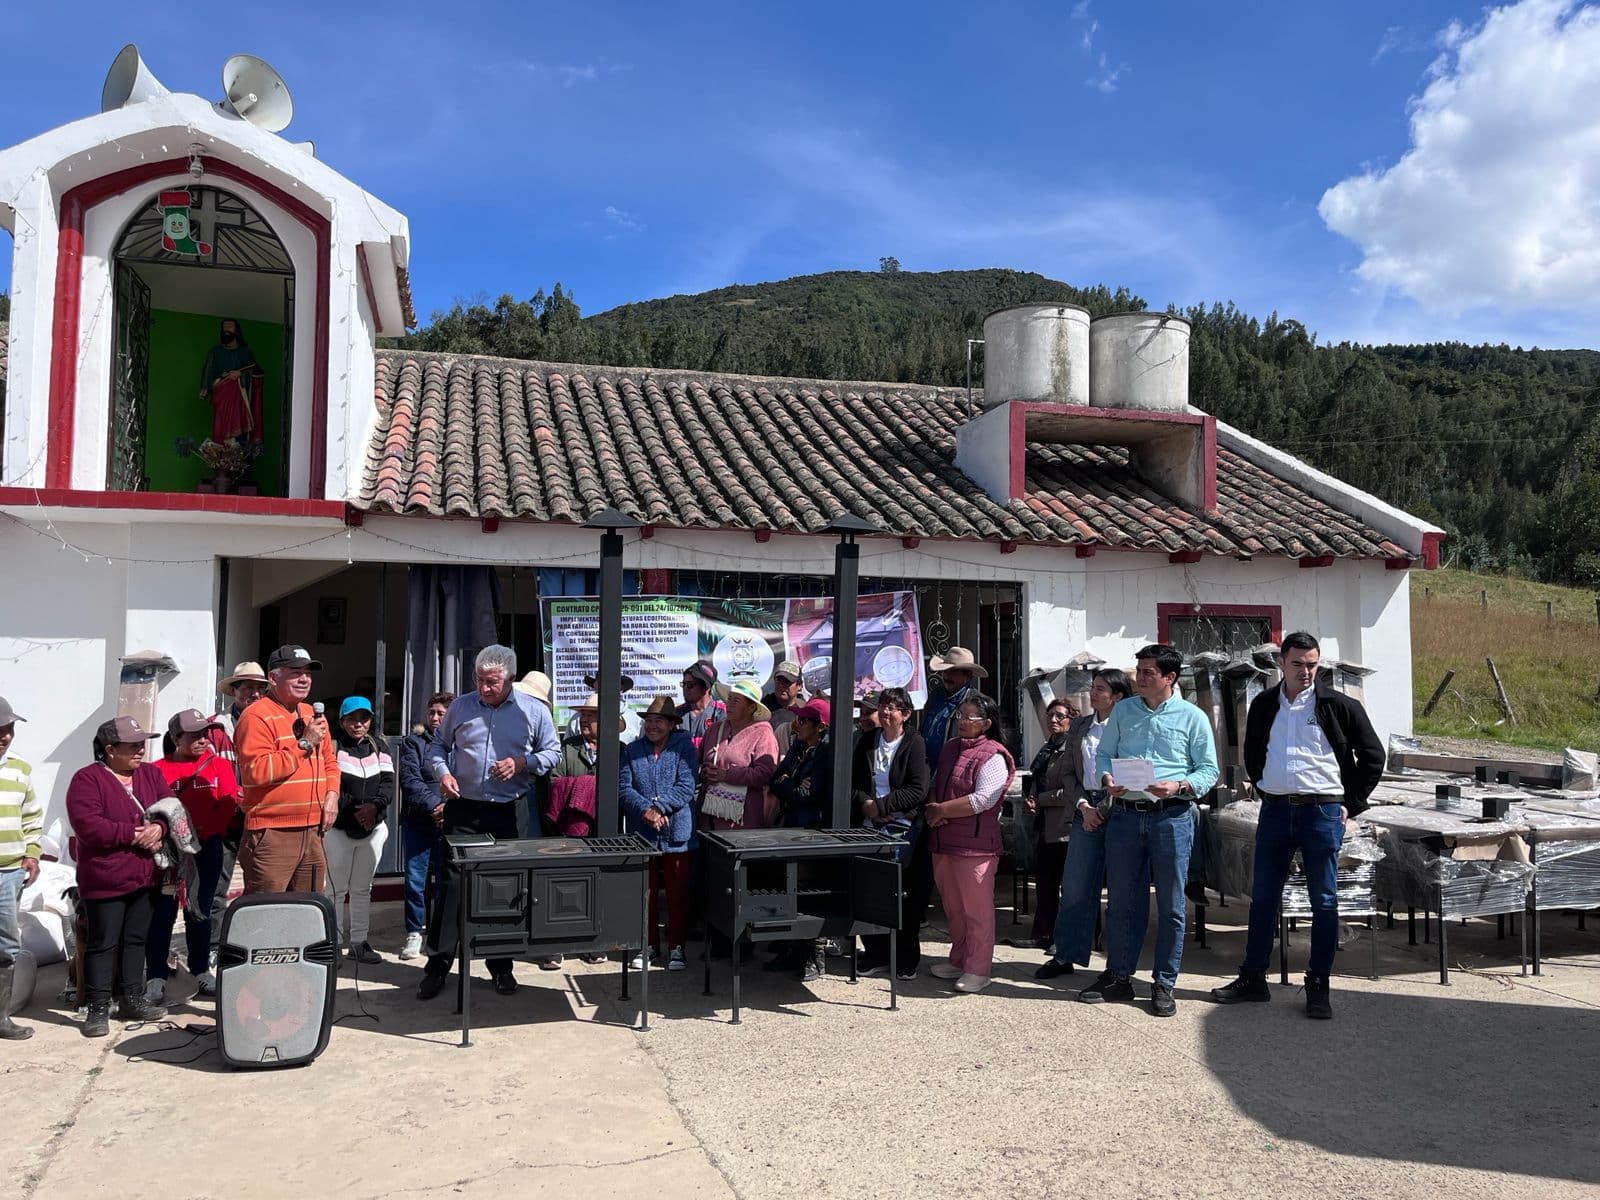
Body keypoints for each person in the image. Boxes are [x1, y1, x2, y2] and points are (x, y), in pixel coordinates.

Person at [1212, 632, 1385, 1019]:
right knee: (1264, 897)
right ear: (1281, 664)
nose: (1306, 672)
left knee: (1323, 900)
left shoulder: (1338, 705)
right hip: (1274, 811)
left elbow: (1373, 756)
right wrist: (1262, 784)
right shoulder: (1264, 704)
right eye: (1298, 664)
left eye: (1312, 664)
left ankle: (1318, 985)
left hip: (1321, 812)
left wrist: (1351, 805)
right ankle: (1253, 977)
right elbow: (1253, 752)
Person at [1082, 644, 1219, 1017]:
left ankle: (1164, 982)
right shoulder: (1124, 711)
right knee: (1124, 902)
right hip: (1126, 815)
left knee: (1172, 905)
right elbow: (1105, 755)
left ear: (1169, 677)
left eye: (1147, 672)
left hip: (1171, 817)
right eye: (1138, 671)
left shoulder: (1193, 718)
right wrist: (1107, 776)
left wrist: (1178, 787)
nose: (1138, 678)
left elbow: (1209, 771)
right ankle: (1119, 977)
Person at [418, 645, 561, 1000]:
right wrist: (443, 773)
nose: (485, 688)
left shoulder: (533, 711)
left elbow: (553, 752)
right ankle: (438, 964)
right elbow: (437, 747)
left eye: (492, 682)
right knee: (451, 886)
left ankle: (501, 966)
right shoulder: (461, 707)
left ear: (510, 678)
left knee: (504, 888)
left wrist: (522, 763)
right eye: (480, 681)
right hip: (463, 807)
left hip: (509, 809)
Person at [65, 716, 174, 1037]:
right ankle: (97, 1007)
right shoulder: (87, 779)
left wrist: (160, 828)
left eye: (143, 743)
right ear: (110, 750)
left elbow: (171, 807)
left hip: (145, 876)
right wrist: (133, 834)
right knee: (103, 942)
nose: (141, 750)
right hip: (105, 879)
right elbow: (88, 824)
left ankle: (132, 998)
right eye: (133, 745)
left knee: (136, 939)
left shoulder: (151, 774)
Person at [1035, 668, 1133, 981]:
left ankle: (1117, 965)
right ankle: (1066, 953)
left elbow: (1130, 773)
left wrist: (1102, 807)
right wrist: (1082, 806)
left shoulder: (1128, 727)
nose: (1093, 693)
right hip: (1082, 809)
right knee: (1075, 886)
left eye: (1101, 689)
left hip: (1118, 810)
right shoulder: (1079, 726)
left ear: (1117, 695)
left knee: (1119, 892)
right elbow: (1067, 772)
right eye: (1093, 687)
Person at [924, 693, 1016, 994]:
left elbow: (983, 799)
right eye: (961, 715)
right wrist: (934, 808)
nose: (962, 721)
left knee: (977, 911)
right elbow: (938, 783)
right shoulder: (951, 748)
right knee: (953, 907)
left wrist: (941, 811)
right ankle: (959, 958)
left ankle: (978, 968)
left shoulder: (994, 754)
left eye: (970, 717)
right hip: (945, 839)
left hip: (976, 845)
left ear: (986, 723)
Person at [146, 709, 239, 1004]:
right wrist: (174, 837)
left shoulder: (218, 765)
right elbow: (152, 808)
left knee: (200, 909)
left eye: (205, 733)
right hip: (169, 853)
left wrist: (199, 834)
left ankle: (200, 968)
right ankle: (156, 975)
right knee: (162, 911)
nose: (202, 739)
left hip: (205, 848)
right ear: (175, 738)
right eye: (194, 735)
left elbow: (228, 803)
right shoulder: (156, 769)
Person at [234, 645, 340, 894]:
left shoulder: (312, 714)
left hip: (314, 831)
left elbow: (330, 762)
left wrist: (332, 796)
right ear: (273, 678)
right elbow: (256, 772)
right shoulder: (255, 716)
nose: (304, 679)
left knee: (307, 916)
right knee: (267, 917)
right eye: (295, 672)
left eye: (308, 673)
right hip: (272, 833)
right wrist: (304, 743)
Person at [851, 687, 930, 979]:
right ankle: (875, 953)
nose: (885, 711)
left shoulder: (914, 743)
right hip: (870, 824)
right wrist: (866, 805)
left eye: (892, 707)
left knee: (901, 893)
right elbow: (855, 782)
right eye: (883, 706)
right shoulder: (867, 741)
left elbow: (917, 789)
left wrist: (882, 805)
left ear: (905, 714)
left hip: (902, 825)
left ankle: (906, 957)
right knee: (870, 889)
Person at [618, 696, 698, 972]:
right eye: (649, 721)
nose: (652, 726)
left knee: (678, 894)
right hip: (643, 831)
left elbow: (687, 785)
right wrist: (646, 811)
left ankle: (677, 946)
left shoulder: (683, 747)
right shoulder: (632, 749)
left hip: (677, 830)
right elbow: (625, 787)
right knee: (646, 893)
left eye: (659, 721)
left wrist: (661, 807)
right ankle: (648, 945)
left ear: (671, 724)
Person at [545, 691, 624, 966]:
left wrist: (586, 786)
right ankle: (558, 945)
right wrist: (588, 787)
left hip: (604, 831)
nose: (585, 721)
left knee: (599, 887)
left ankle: (594, 944)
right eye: (584, 716)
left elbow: (621, 787)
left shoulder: (619, 749)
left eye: (592, 716)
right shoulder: (568, 748)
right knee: (565, 887)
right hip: (569, 830)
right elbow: (555, 782)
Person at [764, 699, 834, 981]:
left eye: (804, 721)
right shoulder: (799, 745)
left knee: (808, 892)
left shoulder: (826, 752)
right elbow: (775, 778)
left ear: (820, 727)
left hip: (812, 830)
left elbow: (810, 794)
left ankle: (813, 954)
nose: (798, 725)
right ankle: (793, 947)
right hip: (791, 825)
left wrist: (788, 784)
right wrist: (791, 784)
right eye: (798, 720)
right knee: (788, 887)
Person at [207, 661, 268, 972]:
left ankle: (251, 944)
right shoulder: (214, 729)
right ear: (234, 691)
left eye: (259, 687)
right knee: (216, 888)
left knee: (261, 886)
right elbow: (207, 776)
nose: (254, 693)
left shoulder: (274, 724)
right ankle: (214, 949)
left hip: (263, 821)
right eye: (246, 686)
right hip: (224, 824)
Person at [326, 698, 393, 966]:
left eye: (364, 719)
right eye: (352, 719)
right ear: (342, 721)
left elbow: (388, 783)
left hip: (373, 828)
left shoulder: (379, 746)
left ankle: (358, 942)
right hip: (339, 828)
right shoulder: (331, 747)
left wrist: (374, 808)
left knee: (362, 888)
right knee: (335, 890)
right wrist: (354, 809)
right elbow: (328, 784)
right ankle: (331, 944)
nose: (358, 724)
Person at [1016, 699, 1076, 951]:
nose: (1053, 720)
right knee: (1044, 884)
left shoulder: (1074, 750)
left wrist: (1040, 800)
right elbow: (1036, 779)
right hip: (1043, 825)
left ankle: (1064, 938)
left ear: (1071, 720)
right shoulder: (1047, 748)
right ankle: (1042, 933)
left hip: (1065, 827)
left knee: (1067, 887)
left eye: (1059, 716)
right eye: (1050, 715)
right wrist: (1030, 799)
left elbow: (1071, 790)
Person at [397, 691, 453, 961]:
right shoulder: (414, 743)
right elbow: (410, 780)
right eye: (431, 712)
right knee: (415, 880)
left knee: (446, 880)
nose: (434, 718)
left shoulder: (461, 744)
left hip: (450, 824)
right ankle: (414, 932)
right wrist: (435, 806)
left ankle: (441, 933)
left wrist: (449, 809)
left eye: (441, 713)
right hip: (419, 821)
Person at [0, 696, 42, 1041]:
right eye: (0, 729)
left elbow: (31, 818)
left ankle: (1, 1018)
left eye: (10, 729)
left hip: (8, 872)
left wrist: (31, 853)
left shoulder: (20, 770)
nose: (5, 735)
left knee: (6, 945)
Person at [698, 680, 779, 830]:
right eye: (729, 699)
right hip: (708, 819)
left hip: (743, 823)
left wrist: (726, 775)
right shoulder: (714, 729)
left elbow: (766, 774)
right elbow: (698, 761)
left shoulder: (763, 734)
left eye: (736, 701)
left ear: (751, 708)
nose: (730, 704)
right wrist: (703, 772)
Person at [198, 317, 263, 448]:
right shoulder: (215, 351)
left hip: (239, 397)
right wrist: (205, 387)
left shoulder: (245, 351)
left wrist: (241, 374)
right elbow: (209, 370)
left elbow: (256, 371)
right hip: (221, 392)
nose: (226, 330)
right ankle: (220, 452)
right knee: (219, 423)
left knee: (238, 436)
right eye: (224, 327)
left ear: (237, 331)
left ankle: (235, 447)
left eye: (230, 327)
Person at [921, 647, 984, 767]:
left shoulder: (975, 704)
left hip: (954, 769)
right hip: (927, 768)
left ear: (968, 675)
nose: (946, 676)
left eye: (952, 672)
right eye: (944, 671)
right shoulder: (936, 695)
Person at [677, 660, 726, 748]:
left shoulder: (722, 713)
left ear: (706, 687)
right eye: (683, 684)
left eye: (690, 685)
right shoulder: (676, 714)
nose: (685, 688)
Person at [764, 661, 805, 755]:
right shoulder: (761, 708)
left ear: (799, 686)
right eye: (779, 680)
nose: (781, 685)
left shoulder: (805, 712)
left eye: (787, 682)